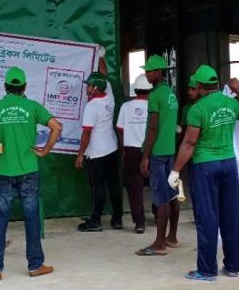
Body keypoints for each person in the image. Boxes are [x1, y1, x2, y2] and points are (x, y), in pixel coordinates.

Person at [0, 67, 61, 280]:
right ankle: (35, 265)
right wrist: (44, 151)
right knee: (32, 218)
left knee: (1, 219)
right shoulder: (32, 107)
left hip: (3, 171)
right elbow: (57, 127)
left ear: (5, 87)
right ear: (24, 87)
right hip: (29, 170)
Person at [171, 65, 239, 281]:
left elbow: (189, 143)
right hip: (229, 164)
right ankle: (233, 266)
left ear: (200, 87)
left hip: (205, 167)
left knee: (207, 217)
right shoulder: (230, 103)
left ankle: (207, 270)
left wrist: (176, 170)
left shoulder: (197, 109)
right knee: (231, 216)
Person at [136, 54, 180, 256]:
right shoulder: (171, 94)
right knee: (172, 195)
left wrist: (145, 156)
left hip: (157, 153)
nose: (147, 74)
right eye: (146, 71)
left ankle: (159, 244)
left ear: (159, 72)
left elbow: (153, 129)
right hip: (171, 151)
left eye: (150, 71)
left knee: (161, 198)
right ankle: (172, 237)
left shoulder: (155, 96)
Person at [76, 65, 121, 232]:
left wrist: (80, 154)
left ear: (95, 88)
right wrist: (101, 55)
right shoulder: (109, 97)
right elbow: (105, 77)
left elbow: (87, 133)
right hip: (111, 147)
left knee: (98, 186)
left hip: (96, 152)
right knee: (114, 184)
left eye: (88, 85)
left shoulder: (91, 106)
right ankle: (117, 219)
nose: (86, 88)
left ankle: (95, 220)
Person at [116, 73, 152, 234]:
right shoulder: (154, 106)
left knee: (134, 186)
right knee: (157, 183)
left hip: (132, 149)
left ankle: (139, 222)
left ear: (135, 90)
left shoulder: (126, 106)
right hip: (151, 149)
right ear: (150, 90)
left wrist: (123, 150)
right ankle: (159, 214)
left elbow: (120, 130)